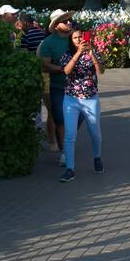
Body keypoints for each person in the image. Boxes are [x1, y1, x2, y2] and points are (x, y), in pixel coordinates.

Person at [60, 29, 105, 181]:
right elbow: (66, 71)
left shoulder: (92, 51)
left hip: (91, 99)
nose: (79, 39)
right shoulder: (67, 53)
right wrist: (78, 53)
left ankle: (97, 157)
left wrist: (91, 54)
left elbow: (101, 71)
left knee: (95, 132)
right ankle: (70, 168)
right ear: (71, 40)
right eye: (75, 38)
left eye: (81, 36)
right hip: (71, 100)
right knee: (69, 135)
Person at [38, 10, 74, 157]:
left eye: (70, 20)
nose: (69, 22)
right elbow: (45, 65)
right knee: (59, 119)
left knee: (81, 117)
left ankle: (67, 140)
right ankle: (64, 152)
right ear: (56, 25)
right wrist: (62, 69)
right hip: (58, 86)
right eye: (65, 21)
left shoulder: (74, 38)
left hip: (78, 86)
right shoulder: (48, 43)